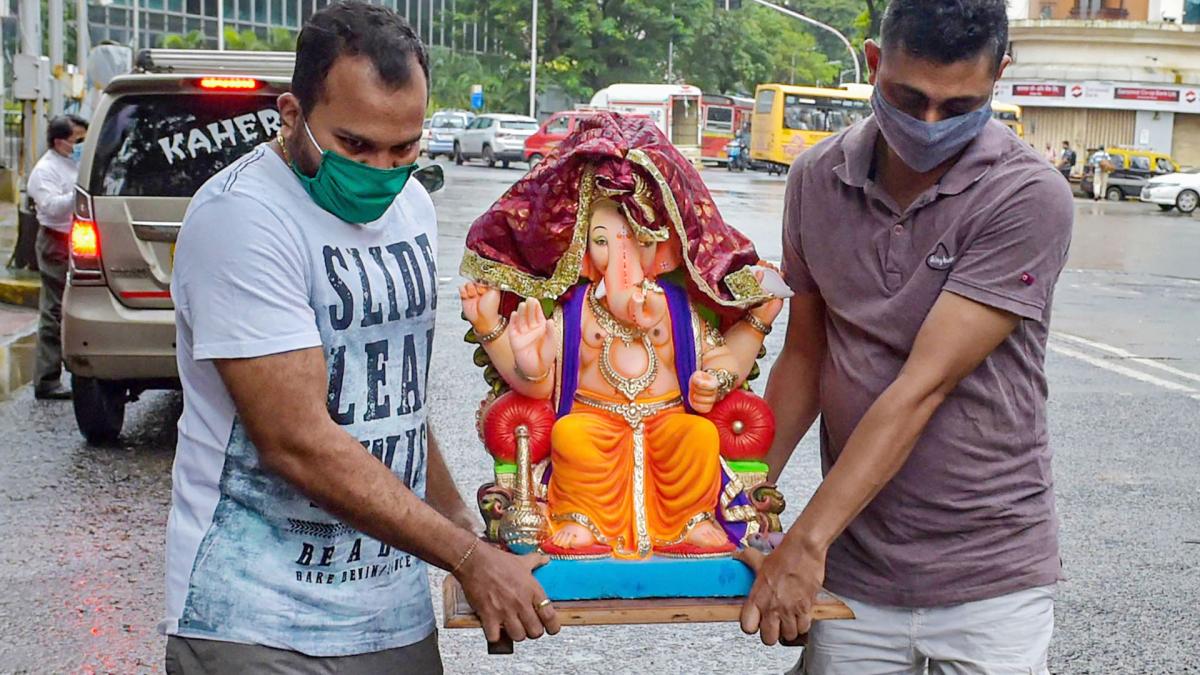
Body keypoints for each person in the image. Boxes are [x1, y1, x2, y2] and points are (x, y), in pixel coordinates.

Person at [162, 3, 557, 673]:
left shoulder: (413, 207)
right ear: (292, 114)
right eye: (354, 145)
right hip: (255, 622)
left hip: (390, 617)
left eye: (404, 147)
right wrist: (464, 556)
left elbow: (395, 399)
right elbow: (298, 442)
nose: (380, 168)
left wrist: (461, 523)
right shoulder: (243, 218)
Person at [736, 0, 1074, 673]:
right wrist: (740, 496)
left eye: (957, 107)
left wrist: (803, 543)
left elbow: (923, 386)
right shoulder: (815, 179)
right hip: (856, 562)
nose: (927, 124)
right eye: (907, 96)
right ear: (872, 64)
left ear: (999, 77)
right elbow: (805, 352)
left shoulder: (1026, 195)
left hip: (989, 576)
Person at [26, 114, 88, 400]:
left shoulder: (75, 163)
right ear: (59, 141)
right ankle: (47, 379)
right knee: (53, 310)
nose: (81, 144)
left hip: (78, 239)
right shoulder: (45, 171)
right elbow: (51, 208)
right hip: (55, 241)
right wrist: (79, 195)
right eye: (78, 139)